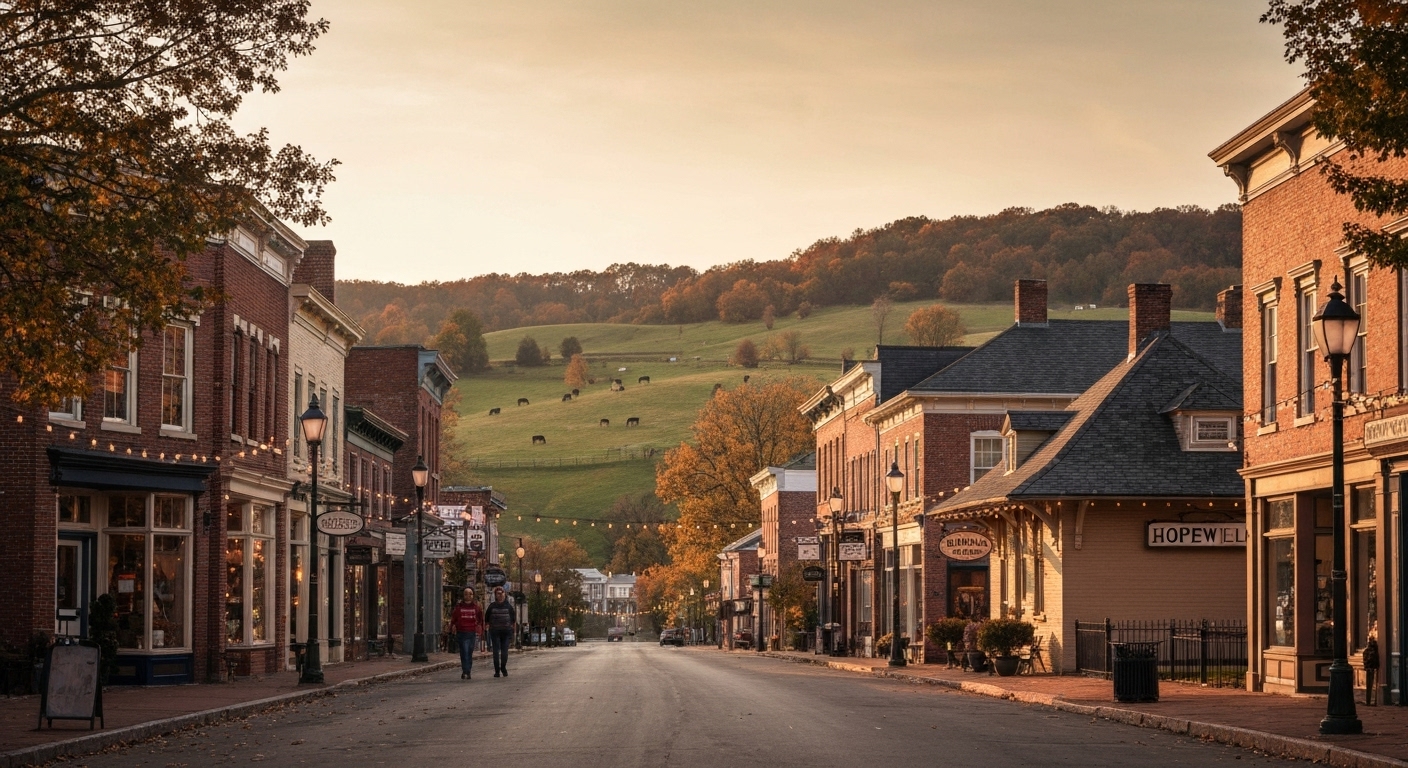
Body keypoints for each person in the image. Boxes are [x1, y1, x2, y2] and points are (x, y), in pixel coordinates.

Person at [450, 589, 483, 679]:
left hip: (471, 632)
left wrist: (479, 628)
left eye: (470, 594)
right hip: (461, 632)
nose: (468, 596)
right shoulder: (459, 607)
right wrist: (452, 627)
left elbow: (480, 619)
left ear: (473, 595)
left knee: (469, 652)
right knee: (464, 651)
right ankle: (465, 670)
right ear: (463, 595)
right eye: (466, 594)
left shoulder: (476, 607)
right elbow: (454, 619)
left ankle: (467, 670)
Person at [484, 586, 516, 678]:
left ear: (504, 594)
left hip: (506, 632)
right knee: (495, 651)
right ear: (495, 595)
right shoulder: (492, 606)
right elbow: (487, 619)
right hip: (495, 632)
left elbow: (513, 620)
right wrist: (487, 627)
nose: (500, 595)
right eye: (498, 593)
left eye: (502, 593)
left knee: (504, 651)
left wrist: (513, 630)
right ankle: (497, 670)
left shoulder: (509, 607)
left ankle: (503, 667)